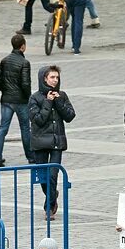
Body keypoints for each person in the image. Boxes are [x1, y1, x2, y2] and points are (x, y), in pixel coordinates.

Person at [29, 66, 75, 220]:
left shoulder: (62, 95)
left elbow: (70, 116)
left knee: (53, 175)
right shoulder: (34, 98)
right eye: (52, 77)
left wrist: (59, 101)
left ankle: (49, 207)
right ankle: (53, 195)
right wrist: (48, 102)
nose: (55, 80)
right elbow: (38, 120)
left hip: (56, 142)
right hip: (40, 142)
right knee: (43, 178)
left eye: (57, 77)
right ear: (44, 79)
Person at [0, 34, 34, 167]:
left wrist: (5, 91)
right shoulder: (24, 63)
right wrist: (28, 97)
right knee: (25, 128)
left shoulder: (4, 61)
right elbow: (25, 84)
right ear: (23, 46)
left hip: (7, 99)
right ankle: (31, 156)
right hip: (21, 100)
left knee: (3, 128)